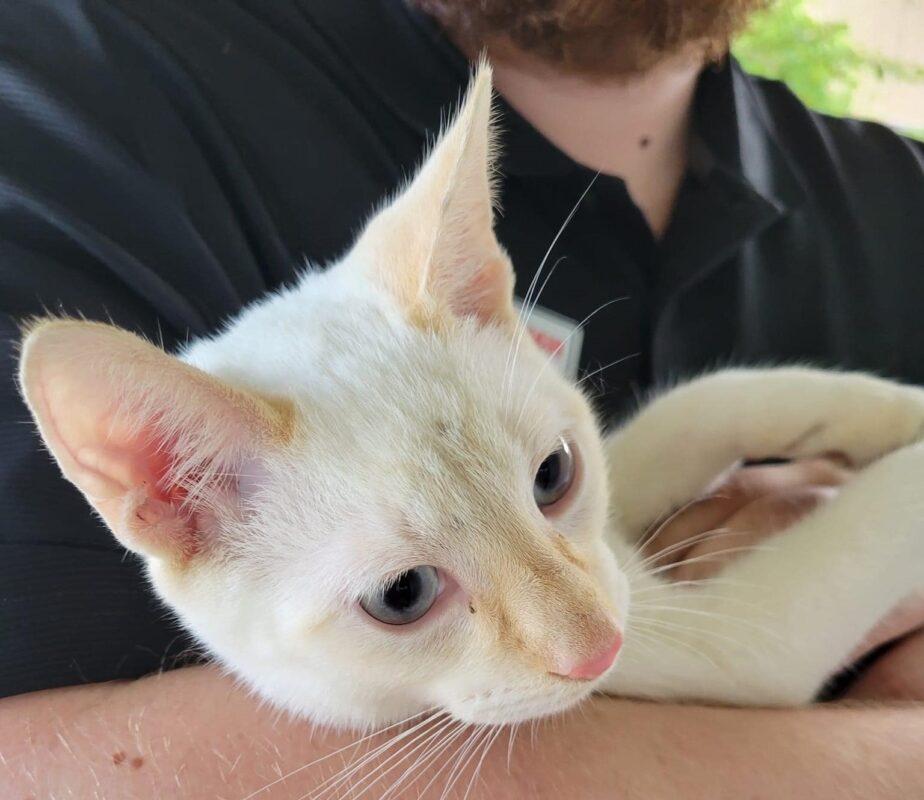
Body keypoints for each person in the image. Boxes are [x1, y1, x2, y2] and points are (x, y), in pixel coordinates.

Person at [2, 0, 923, 796]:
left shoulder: (889, 183)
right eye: (403, 594)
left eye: (555, 474)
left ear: (487, 294)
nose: (588, 638)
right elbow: (758, 653)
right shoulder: (83, 87)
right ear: (178, 503)